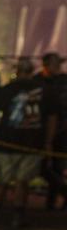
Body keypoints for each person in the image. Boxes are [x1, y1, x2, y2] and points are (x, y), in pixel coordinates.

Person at [0, 56, 57, 227]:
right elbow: (53, 117)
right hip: (32, 143)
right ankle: (17, 216)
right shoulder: (45, 90)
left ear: (17, 71)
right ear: (32, 72)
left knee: (3, 179)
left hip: (7, 141)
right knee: (22, 181)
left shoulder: (9, 89)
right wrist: (48, 142)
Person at [38, 51, 67, 209]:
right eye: (54, 63)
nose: (58, 66)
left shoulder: (64, 81)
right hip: (40, 130)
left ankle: (53, 201)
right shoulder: (38, 81)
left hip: (62, 130)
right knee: (42, 167)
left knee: (57, 167)